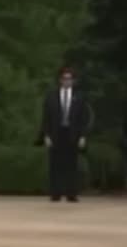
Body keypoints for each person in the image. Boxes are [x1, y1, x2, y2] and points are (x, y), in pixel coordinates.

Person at [38, 66, 91, 202]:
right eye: (64, 78)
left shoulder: (79, 97)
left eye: (69, 79)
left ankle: (71, 193)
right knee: (55, 164)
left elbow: (84, 118)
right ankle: (55, 193)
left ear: (73, 81)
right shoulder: (51, 96)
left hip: (72, 133)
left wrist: (83, 136)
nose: (67, 81)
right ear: (60, 80)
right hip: (56, 133)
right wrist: (46, 135)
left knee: (71, 164)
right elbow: (46, 118)